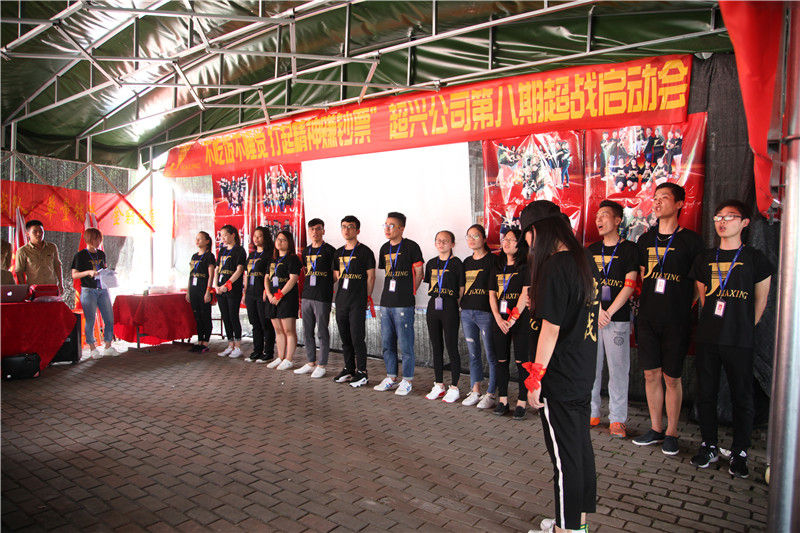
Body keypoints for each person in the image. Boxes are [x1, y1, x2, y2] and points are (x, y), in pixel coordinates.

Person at [526, 214, 600, 533]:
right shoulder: (585, 260)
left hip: (560, 376)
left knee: (565, 459)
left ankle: (565, 530)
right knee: (579, 450)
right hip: (582, 369)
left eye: (529, 236)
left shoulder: (556, 266)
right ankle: (577, 525)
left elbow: (550, 329)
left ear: (540, 232)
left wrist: (535, 378)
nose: (529, 244)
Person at [688, 200, 773, 478]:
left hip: (739, 339)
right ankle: (709, 445)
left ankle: (740, 452)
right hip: (709, 337)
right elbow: (704, 297)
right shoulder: (705, 258)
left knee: (742, 396)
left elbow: (760, 301)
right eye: (718, 217)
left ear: (745, 223)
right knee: (706, 393)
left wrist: (743, 327)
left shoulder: (755, 259)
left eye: (730, 216)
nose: (722, 221)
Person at [632, 183, 703, 455]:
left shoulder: (691, 241)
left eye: (664, 197)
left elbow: (698, 285)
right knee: (650, 374)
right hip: (647, 318)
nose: (658, 202)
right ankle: (656, 428)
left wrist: (684, 307)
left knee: (672, 377)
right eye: (655, 197)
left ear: (680, 204)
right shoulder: (645, 240)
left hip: (677, 319)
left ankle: (672, 432)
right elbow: (642, 276)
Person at [586, 201, 638, 438]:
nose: (599, 219)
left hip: (617, 319)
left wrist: (610, 311)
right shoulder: (591, 250)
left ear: (617, 220)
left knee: (618, 370)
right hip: (593, 318)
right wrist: (598, 310)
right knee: (591, 368)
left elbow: (630, 284)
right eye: (597, 215)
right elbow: (587, 284)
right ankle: (591, 412)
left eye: (604, 215)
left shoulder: (629, 249)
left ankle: (617, 419)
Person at [373, 212, 424, 396]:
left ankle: (407, 380)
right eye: (385, 225)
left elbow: (419, 273)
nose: (387, 229)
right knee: (387, 343)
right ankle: (391, 377)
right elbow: (387, 273)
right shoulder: (384, 248)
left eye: (392, 225)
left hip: (403, 303)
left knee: (406, 344)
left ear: (401, 228)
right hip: (386, 302)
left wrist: (410, 291)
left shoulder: (411, 247)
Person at [489, 228, 531, 419]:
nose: (506, 242)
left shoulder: (525, 267)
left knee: (522, 362)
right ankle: (503, 400)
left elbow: (525, 294)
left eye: (511, 240)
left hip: (520, 320)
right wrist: (498, 318)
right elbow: (492, 294)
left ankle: (522, 402)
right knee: (501, 361)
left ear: (520, 244)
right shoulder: (497, 266)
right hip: (500, 321)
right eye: (504, 239)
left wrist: (512, 319)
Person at [332, 216, 376, 387]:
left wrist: (367, 297)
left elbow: (371, 277)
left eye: (350, 227)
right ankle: (349, 369)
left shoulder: (365, 252)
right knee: (345, 338)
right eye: (344, 226)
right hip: (341, 300)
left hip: (357, 301)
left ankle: (362, 372)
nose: (347, 230)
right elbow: (337, 276)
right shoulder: (338, 253)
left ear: (357, 230)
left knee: (357, 337)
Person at [460, 224, 499, 409]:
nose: (471, 239)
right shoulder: (466, 262)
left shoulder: (493, 260)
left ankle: (491, 393)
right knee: (473, 353)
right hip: (467, 312)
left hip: (486, 313)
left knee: (491, 354)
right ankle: (475, 389)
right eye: (469, 236)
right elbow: (462, 288)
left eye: (475, 236)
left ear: (484, 238)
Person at [424, 231, 465, 404]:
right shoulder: (431, 263)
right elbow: (430, 284)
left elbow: (461, 288)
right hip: (433, 306)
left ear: (452, 244)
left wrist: (455, 304)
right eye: (438, 241)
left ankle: (454, 387)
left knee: (451, 346)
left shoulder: (457, 263)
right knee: (436, 347)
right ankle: (439, 384)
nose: (441, 243)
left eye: (445, 241)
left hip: (449, 306)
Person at [294, 218, 336, 378]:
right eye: (312, 229)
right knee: (307, 331)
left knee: (322, 331)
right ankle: (310, 362)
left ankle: (322, 364)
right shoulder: (306, 251)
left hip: (322, 296)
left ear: (323, 231)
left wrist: (325, 284)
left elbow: (335, 275)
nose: (315, 232)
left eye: (318, 229)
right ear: (308, 231)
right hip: (307, 295)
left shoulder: (330, 250)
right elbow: (306, 271)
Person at [70, 228, 117, 359]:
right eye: (96, 239)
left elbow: (103, 269)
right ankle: (92, 348)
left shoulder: (101, 254)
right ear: (88, 239)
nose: (98, 241)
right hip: (88, 290)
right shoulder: (80, 255)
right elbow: (74, 275)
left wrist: (109, 273)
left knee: (109, 318)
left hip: (102, 289)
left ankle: (108, 346)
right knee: (90, 319)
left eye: (99, 239)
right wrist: (88, 272)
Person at [265, 230, 302, 370]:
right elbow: (266, 278)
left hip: (286, 298)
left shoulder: (293, 259)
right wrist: (269, 294)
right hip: (272, 298)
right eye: (278, 239)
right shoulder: (272, 259)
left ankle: (289, 359)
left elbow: (293, 279)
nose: (280, 242)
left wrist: (280, 295)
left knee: (288, 330)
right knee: (278, 330)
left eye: (283, 240)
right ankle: (280, 357)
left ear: (289, 243)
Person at [213, 225, 247, 358]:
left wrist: (227, 284)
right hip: (220, 289)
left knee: (233, 316)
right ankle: (230, 344)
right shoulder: (222, 251)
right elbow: (217, 269)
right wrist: (216, 285)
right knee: (225, 316)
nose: (223, 238)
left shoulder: (239, 250)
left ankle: (238, 346)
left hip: (233, 289)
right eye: (221, 236)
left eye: (225, 235)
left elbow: (239, 270)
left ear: (233, 235)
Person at [242, 227, 275, 363]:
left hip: (262, 293)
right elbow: (246, 274)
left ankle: (268, 352)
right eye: (254, 236)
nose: (256, 239)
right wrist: (244, 292)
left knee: (265, 323)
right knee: (255, 323)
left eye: (259, 236)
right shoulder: (251, 255)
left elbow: (270, 276)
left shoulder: (269, 255)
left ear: (265, 237)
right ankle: (257, 351)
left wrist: (266, 291)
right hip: (250, 293)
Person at [186, 231, 216, 353]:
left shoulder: (209, 256)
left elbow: (211, 275)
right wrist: (188, 291)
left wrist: (208, 291)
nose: (197, 241)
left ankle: (206, 341)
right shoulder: (194, 256)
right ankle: (199, 341)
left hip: (203, 289)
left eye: (200, 239)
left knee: (205, 315)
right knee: (197, 315)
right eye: (196, 239)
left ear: (207, 241)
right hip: (194, 289)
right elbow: (190, 274)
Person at [15, 220, 63, 293]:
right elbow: (19, 272)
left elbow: (57, 265)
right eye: (35, 232)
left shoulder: (52, 247)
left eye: (41, 231)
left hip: (51, 288)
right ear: (27, 234)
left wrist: (60, 283)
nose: (39, 234)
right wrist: (24, 289)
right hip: (34, 290)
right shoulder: (22, 251)